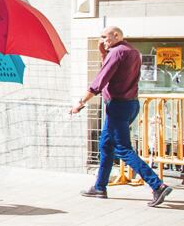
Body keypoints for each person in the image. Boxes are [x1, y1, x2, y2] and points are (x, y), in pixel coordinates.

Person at [72, 27, 172, 208]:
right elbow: (115, 73)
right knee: (106, 144)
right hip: (130, 104)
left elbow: (100, 81)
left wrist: (81, 102)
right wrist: (103, 53)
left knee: (122, 148)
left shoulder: (117, 52)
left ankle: (158, 185)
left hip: (117, 106)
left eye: (104, 37)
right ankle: (100, 187)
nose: (102, 40)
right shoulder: (132, 51)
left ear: (116, 35)